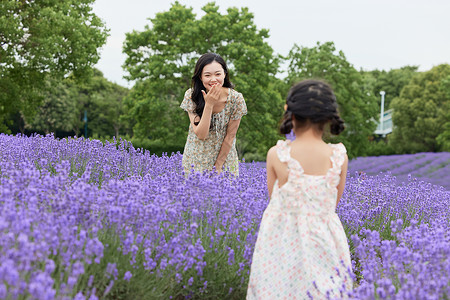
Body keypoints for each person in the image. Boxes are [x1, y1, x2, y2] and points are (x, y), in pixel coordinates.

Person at [247, 80, 352, 299]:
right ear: (327, 117)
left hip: (282, 243)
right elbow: (333, 203)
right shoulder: (339, 158)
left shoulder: (277, 155)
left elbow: (273, 199)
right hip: (325, 242)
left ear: (291, 113)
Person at [180, 53, 247, 175]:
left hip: (225, 160)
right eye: (207, 75)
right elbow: (201, 134)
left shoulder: (236, 99)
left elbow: (230, 136)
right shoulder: (191, 96)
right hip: (196, 159)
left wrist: (218, 166)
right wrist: (209, 105)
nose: (213, 79)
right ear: (200, 77)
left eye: (218, 74)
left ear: (224, 74)